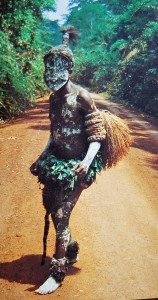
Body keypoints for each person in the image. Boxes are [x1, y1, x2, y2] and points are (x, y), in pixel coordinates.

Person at [30, 26, 131, 295]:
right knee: (52, 209)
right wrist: (41, 157)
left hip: (78, 166)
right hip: (56, 163)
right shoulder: (53, 100)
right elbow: (55, 134)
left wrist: (86, 162)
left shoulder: (82, 98)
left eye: (58, 69)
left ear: (69, 70)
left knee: (62, 216)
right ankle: (71, 246)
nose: (54, 75)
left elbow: (96, 136)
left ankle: (57, 271)